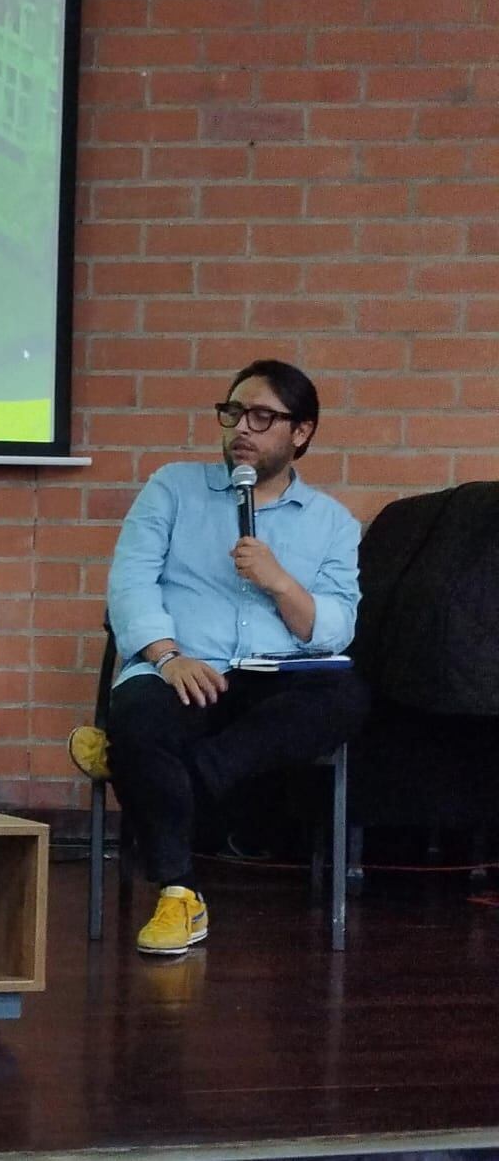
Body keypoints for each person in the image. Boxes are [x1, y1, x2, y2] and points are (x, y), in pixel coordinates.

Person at [67, 359, 368, 955]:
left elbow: (334, 628)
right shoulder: (173, 487)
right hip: (185, 667)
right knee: (140, 710)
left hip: (274, 679)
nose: (241, 430)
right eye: (233, 413)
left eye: (262, 417)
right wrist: (167, 653)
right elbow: (129, 582)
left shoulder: (332, 522)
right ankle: (179, 892)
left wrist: (280, 580)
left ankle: (156, 777)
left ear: (301, 432)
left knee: (348, 697)